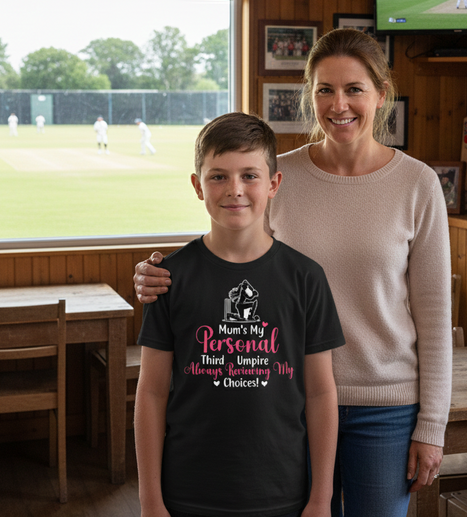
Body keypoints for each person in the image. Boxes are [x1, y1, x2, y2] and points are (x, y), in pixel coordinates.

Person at [133, 28, 452, 517]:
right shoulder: (278, 175)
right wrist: (156, 274)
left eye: (354, 89)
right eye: (325, 89)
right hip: (287, 402)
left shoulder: (417, 184)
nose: (338, 104)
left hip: (385, 408)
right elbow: (228, 247)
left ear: (381, 95)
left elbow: (434, 316)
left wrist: (431, 424)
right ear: (310, 95)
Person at [135, 112, 345, 517]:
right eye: (218, 176)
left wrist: (320, 499)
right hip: (187, 494)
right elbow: (151, 392)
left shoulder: (305, 278)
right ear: (198, 186)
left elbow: (320, 393)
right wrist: (150, 501)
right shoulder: (168, 278)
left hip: (282, 492)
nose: (235, 190)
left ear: (273, 183)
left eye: (250, 175)